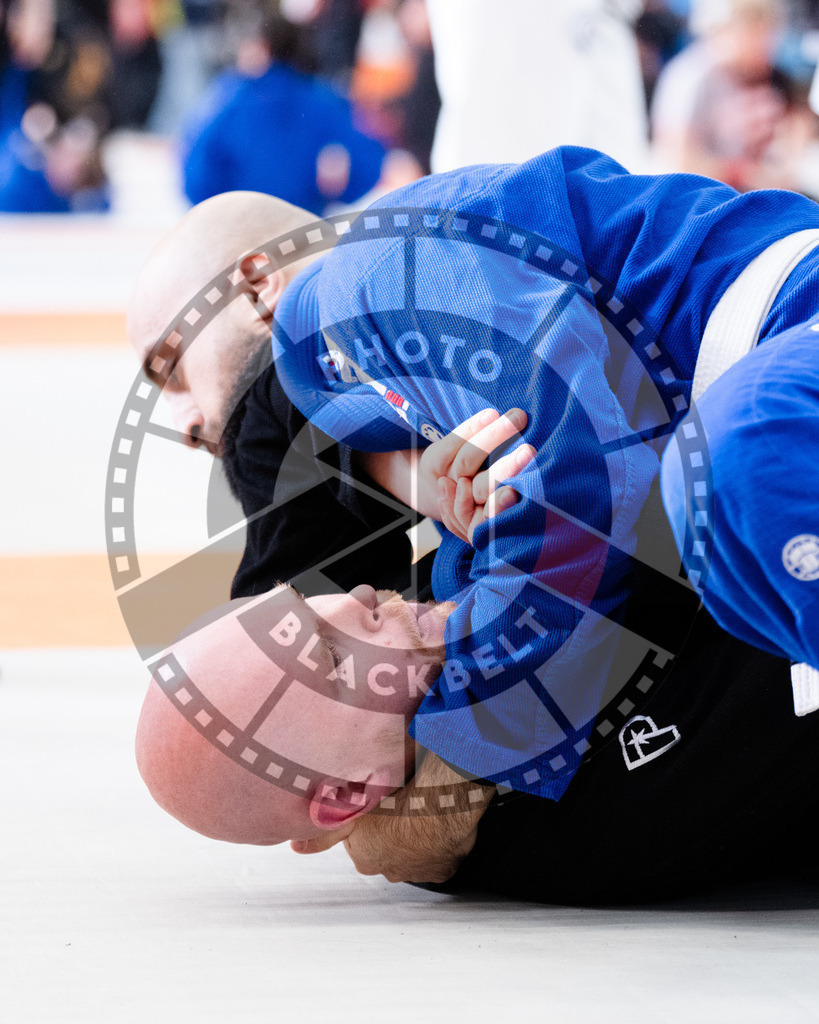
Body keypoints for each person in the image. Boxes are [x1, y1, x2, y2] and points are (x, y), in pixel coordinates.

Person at [180, 11, 387, 215]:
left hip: (240, 229)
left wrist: (218, 209)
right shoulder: (322, 100)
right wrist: (334, 191)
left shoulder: (228, 99)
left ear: (262, 48)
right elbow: (369, 161)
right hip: (301, 232)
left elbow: (195, 170)